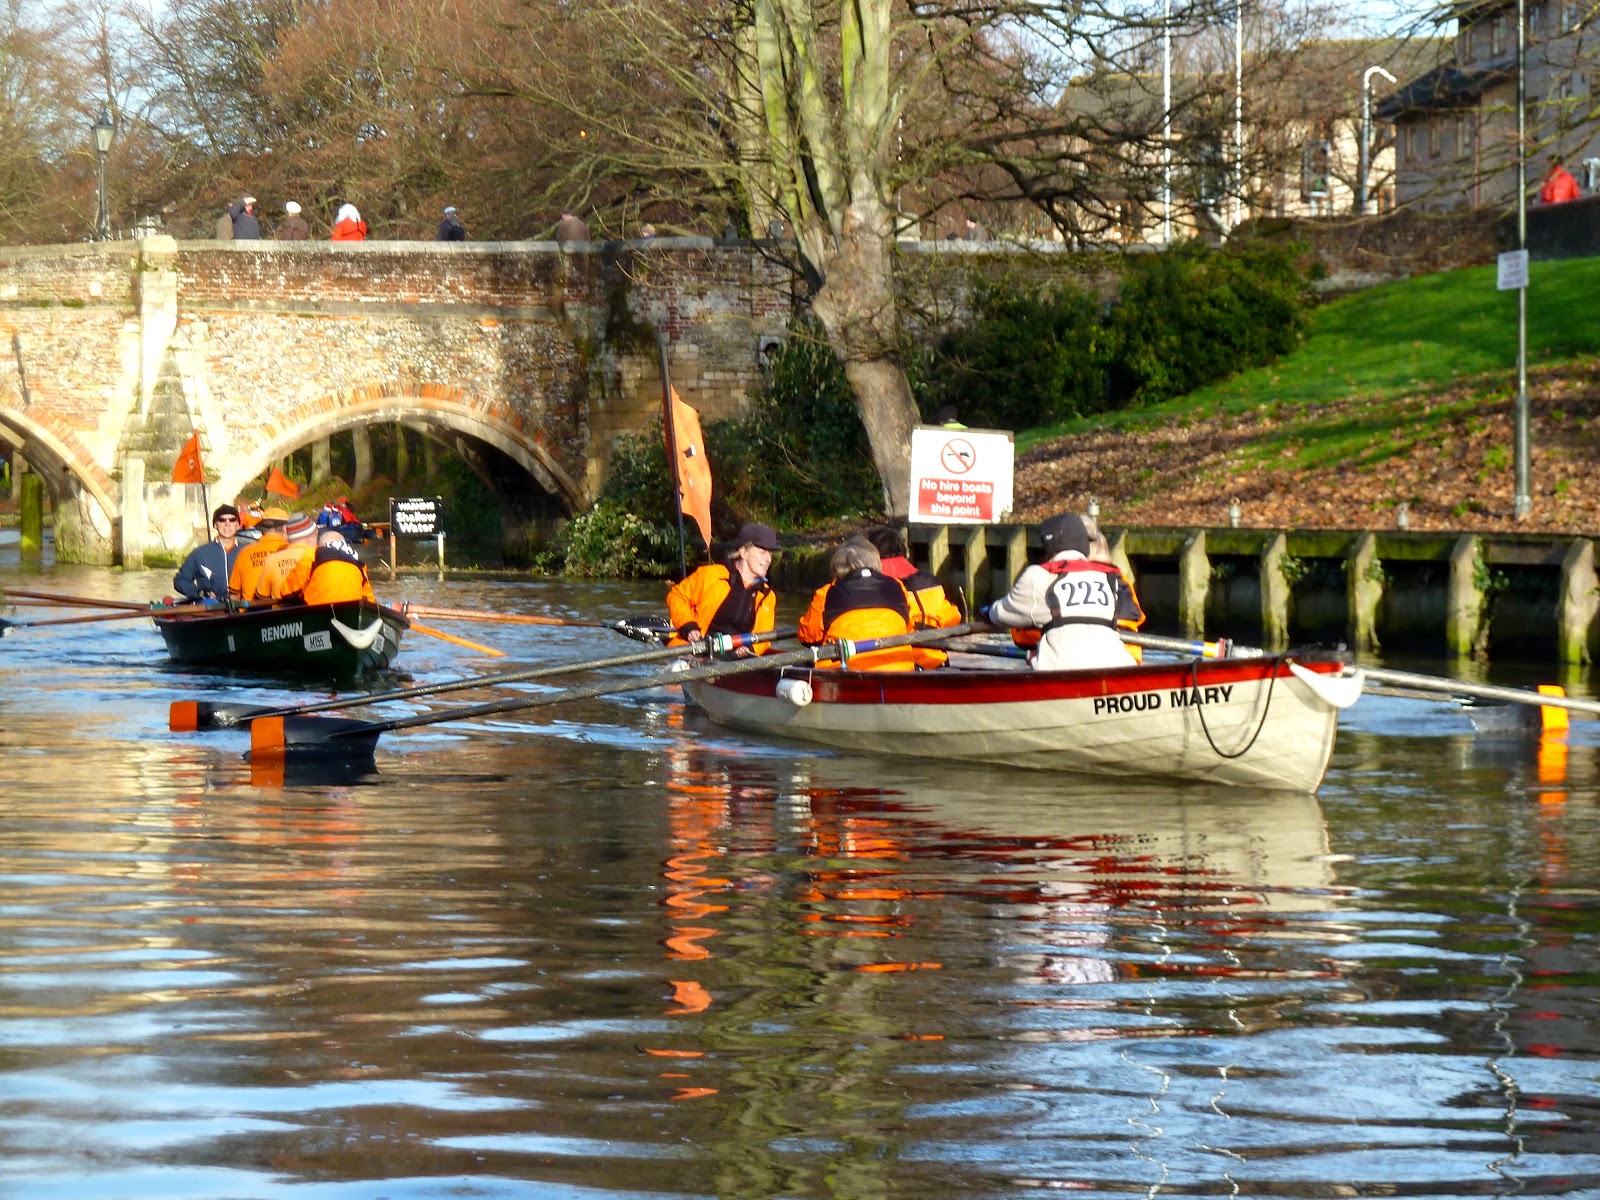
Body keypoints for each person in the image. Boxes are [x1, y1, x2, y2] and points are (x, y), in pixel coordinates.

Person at [987, 511, 1139, 671]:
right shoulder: (1111, 577)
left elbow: (1001, 616)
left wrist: (987, 612)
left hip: (1061, 669)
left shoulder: (1039, 574)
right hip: (1120, 664)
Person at [798, 536, 932, 671]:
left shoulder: (827, 592)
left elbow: (808, 637)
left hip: (843, 670)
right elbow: (907, 627)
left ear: (837, 568)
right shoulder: (897, 585)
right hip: (898, 668)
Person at [665, 522, 779, 650]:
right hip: (698, 650)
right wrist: (688, 626)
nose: (768, 559)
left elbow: (763, 637)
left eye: (770, 553)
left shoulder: (767, 595)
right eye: (763, 552)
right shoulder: (710, 575)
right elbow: (676, 596)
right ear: (743, 553)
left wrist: (750, 650)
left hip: (736, 658)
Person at [865, 526, 963, 629]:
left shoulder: (874, 584)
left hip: (904, 639)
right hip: (936, 635)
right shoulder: (931, 580)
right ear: (903, 550)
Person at [172, 504, 244, 602]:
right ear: (215, 525)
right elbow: (180, 580)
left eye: (232, 520)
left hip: (244, 607)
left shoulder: (248, 551)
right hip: (212, 608)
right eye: (222, 520)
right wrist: (200, 593)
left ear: (238, 525)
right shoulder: (199, 554)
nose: (227, 524)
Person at [293, 530, 378, 605]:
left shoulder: (312, 555)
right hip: (350, 612)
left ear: (320, 546)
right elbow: (368, 598)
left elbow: (291, 589)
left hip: (317, 612)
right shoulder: (359, 564)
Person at [249, 514, 318, 602]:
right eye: (316, 536)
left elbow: (262, 597)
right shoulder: (319, 556)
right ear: (310, 540)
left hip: (281, 614)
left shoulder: (271, 560)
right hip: (315, 612)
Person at [228, 506, 291, 600]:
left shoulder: (245, 553)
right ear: (286, 529)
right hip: (287, 610)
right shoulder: (292, 551)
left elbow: (234, 595)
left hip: (252, 612)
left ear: (261, 529)